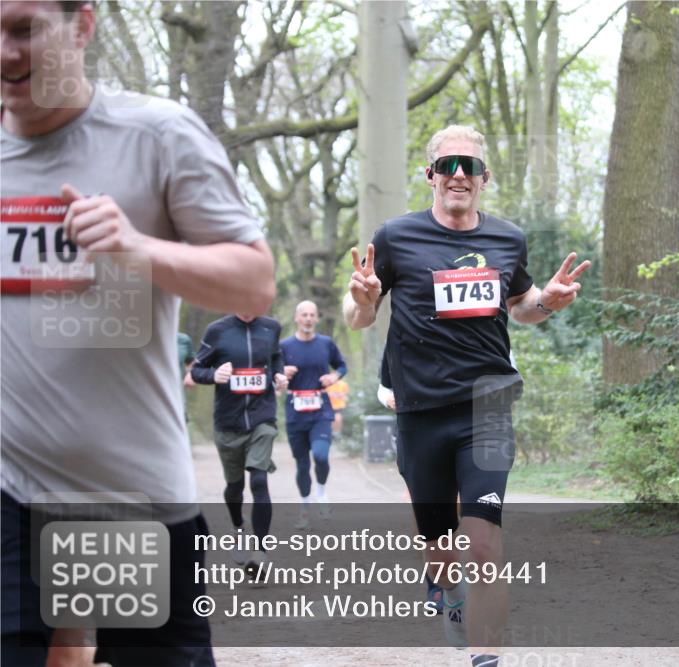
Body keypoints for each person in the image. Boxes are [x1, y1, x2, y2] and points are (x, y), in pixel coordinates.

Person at [0, 2, 275, 665]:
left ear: (83, 25)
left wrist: (137, 249)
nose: (4, 52)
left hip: (128, 497)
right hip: (12, 490)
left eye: (23, 29)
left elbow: (254, 283)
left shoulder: (154, 135)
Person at [343, 125, 589, 664]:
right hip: (421, 410)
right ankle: (448, 592)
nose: (459, 174)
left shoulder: (507, 239)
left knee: (483, 543)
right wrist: (361, 300)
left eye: (470, 166)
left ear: (484, 178)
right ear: (430, 175)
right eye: (448, 165)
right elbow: (360, 317)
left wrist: (547, 302)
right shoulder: (396, 237)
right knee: (439, 549)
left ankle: (485, 659)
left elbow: (521, 306)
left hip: (487, 404)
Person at [190, 313, 287, 572]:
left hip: (262, 417)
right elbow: (196, 371)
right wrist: (214, 375)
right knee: (235, 487)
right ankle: (238, 527)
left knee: (259, 480)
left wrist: (279, 375)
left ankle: (261, 553)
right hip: (228, 422)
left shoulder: (271, 327)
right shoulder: (216, 330)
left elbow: (276, 357)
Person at [377, 351, 443, 615]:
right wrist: (388, 398)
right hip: (417, 429)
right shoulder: (402, 332)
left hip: (466, 428)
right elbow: (383, 388)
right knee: (424, 509)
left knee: (460, 507)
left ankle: (460, 572)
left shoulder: (476, 327)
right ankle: (435, 583)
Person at [281, 300, 347, 529]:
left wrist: (333, 377)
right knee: (301, 464)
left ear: (316, 318)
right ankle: (305, 508)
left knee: (320, 456)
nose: (308, 319)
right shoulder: (284, 346)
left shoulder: (326, 343)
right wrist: (282, 373)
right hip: (295, 412)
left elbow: (342, 366)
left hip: (321, 411)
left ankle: (321, 491)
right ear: (296, 318)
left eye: (312, 315)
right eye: (304, 315)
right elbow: (273, 373)